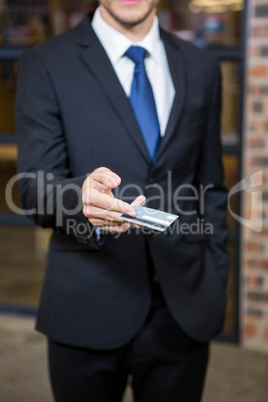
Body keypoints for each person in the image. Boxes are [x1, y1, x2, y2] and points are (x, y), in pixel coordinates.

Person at [16, 0, 229, 401]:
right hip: (86, 303)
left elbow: (211, 185)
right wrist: (78, 198)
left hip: (184, 306)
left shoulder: (202, 66)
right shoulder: (45, 62)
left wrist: (216, 277)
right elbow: (32, 188)